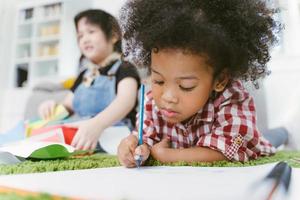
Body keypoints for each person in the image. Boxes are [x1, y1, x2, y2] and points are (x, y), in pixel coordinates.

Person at [117, 0, 281, 167]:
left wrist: (167, 155)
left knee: (272, 138)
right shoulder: (151, 102)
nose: (167, 97)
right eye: (158, 80)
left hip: (253, 141)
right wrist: (131, 147)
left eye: (186, 86)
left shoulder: (231, 99)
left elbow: (227, 151)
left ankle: (283, 132)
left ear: (220, 80)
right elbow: (144, 139)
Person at [39, 9, 140, 151]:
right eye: (80, 36)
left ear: (113, 35)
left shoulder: (124, 68)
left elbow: (125, 101)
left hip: (118, 138)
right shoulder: (84, 74)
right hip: (84, 138)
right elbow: (67, 107)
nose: (84, 39)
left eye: (91, 32)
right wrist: (52, 106)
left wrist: (97, 124)